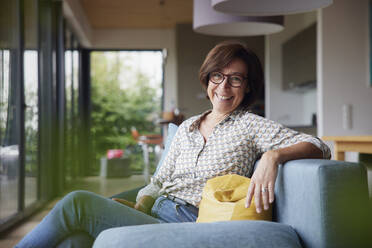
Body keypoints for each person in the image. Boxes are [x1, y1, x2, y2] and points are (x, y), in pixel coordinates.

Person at [16, 40, 330, 248]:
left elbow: (318, 144)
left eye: (236, 78)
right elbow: (159, 181)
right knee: (75, 241)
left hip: (193, 221)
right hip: (157, 211)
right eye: (218, 76)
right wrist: (140, 203)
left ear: (247, 88)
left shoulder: (249, 125)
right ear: (208, 78)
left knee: (76, 203)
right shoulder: (186, 128)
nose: (224, 86)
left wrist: (273, 156)